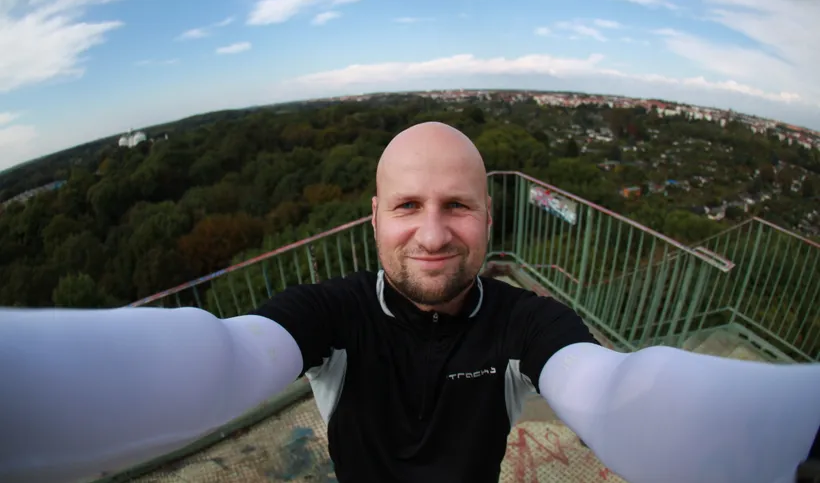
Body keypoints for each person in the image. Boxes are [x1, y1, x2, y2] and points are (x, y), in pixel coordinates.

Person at [0, 121, 818, 483]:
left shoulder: (525, 321)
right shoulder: (331, 314)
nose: (433, 233)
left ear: (487, 219)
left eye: (457, 205)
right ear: (375, 218)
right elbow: (224, 355)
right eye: (408, 206)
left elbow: (614, 389)